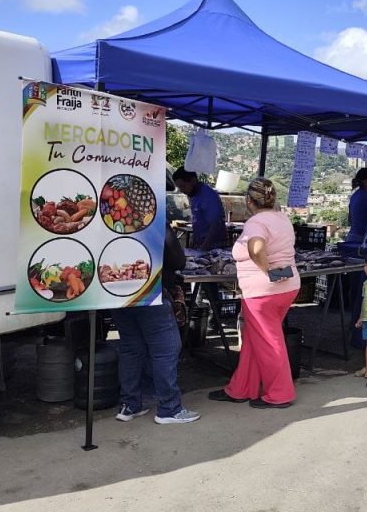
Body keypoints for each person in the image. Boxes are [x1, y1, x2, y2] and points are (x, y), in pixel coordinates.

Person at [208, 178, 301, 408]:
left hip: (263, 292)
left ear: (249, 201)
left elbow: (256, 248)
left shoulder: (256, 223)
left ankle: (280, 394)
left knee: (269, 341)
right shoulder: (281, 218)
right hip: (286, 287)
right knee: (254, 339)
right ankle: (240, 388)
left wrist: (267, 270)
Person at [112, 218, 200, 424]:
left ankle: (129, 405)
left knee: (131, 347)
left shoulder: (110, 218)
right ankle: (169, 408)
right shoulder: (154, 217)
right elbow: (178, 260)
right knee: (166, 348)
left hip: (117, 290)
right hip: (150, 291)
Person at [172, 168, 226, 251]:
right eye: (179, 188)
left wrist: (203, 249)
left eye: (183, 186)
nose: (181, 190)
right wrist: (193, 243)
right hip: (200, 244)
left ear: (193, 180)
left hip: (213, 247)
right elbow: (198, 221)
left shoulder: (208, 196)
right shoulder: (193, 195)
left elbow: (215, 225)